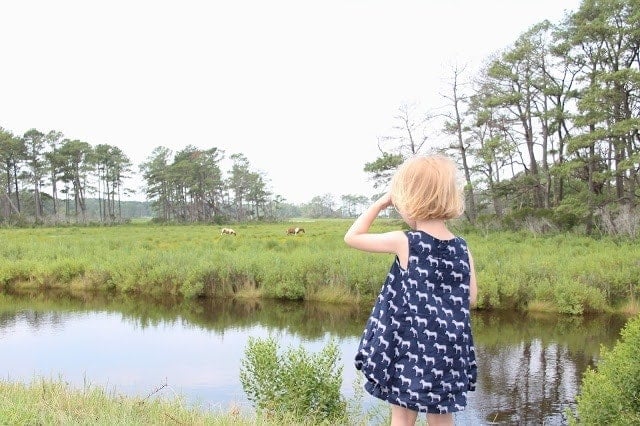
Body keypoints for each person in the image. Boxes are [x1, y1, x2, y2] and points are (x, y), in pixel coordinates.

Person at [344, 154, 478, 426]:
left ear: (408, 200)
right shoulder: (462, 248)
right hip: (448, 352)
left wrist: (382, 202)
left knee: (402, 416)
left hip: (409, 349)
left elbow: (352, 236)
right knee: (442, 417)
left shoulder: (406, 242)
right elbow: (470, 298)